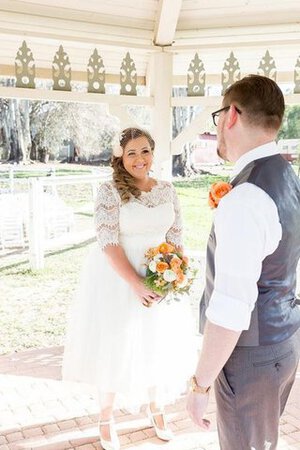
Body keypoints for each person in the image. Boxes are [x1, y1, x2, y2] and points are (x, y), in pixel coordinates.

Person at [63, 127, 196, 450]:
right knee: (116, 343)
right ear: (120, 157)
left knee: (156, 341)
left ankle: (156, 407)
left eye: (145, 151)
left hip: (160, 275)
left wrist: (172, 276)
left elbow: (175, 237)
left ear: (153, 153)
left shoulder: (167, 189)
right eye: (132, 153)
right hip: (119, 279)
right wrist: (136, 284)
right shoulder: (109, 191)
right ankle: (106, 416)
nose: (139, 159)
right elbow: (107, 241)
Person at [187, 75, 300, 450]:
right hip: (284, 342)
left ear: (230, 115)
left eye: (219, 115)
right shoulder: (287, 176)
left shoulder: (245, 197)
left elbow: (231, 307)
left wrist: (200, 384)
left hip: (250, 358)